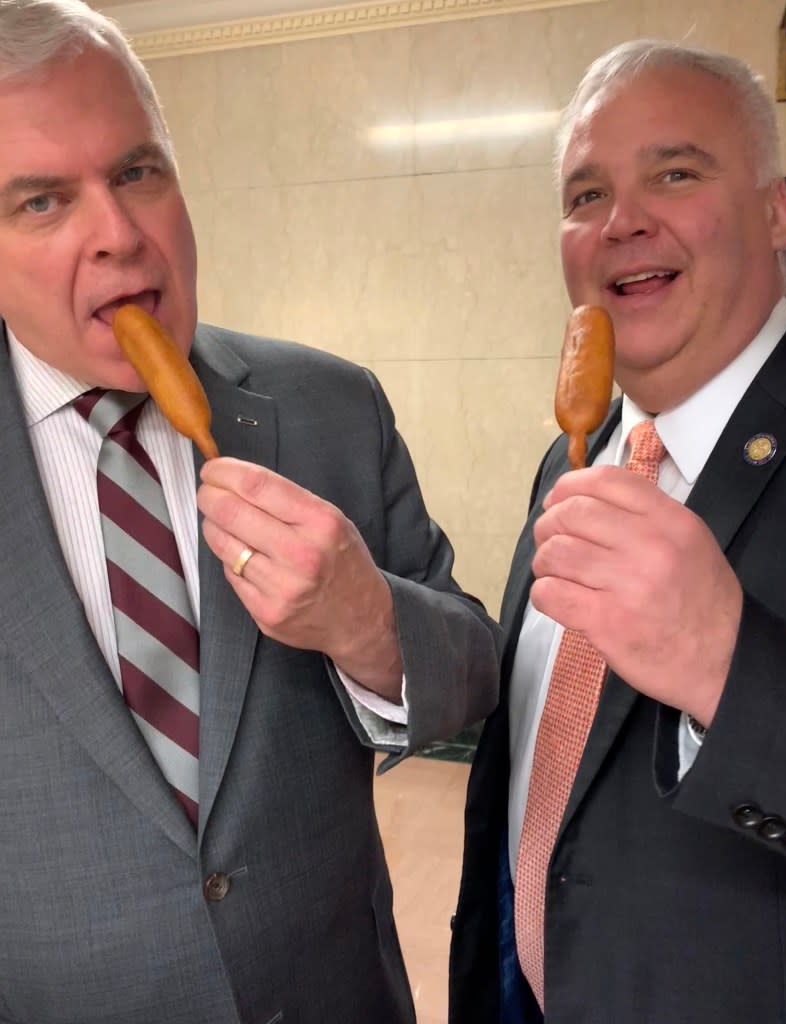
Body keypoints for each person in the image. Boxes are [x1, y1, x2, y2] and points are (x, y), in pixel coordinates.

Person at [0, 2, 501, 1021]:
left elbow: (476, 676)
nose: (120, 234)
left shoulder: (329, 407)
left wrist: (368, 622)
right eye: (43, 202)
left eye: (138, 171)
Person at [449, 37, 786, 1024]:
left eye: (675, 172)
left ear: (777, 209)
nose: (621, 223)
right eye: (584, 195)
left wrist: (731, 671)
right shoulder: (573, 454)